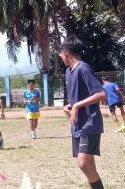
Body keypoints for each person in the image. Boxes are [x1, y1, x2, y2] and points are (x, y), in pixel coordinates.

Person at [61, 35, 105, 189]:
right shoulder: (68, 72)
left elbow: (101, 94)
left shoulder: (83, 68)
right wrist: (70, 106)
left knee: (83, 163)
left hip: (90, 123)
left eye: (60, 54)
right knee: (89, 165)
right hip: (77, 125)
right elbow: (78, 97)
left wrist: (77, 105)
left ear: (65, 53)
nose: (60, 57)